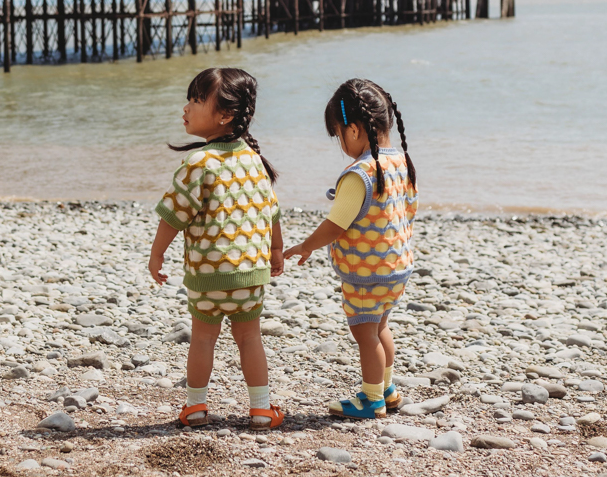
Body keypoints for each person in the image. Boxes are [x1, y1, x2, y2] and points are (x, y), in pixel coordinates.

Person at [150, 66, 285, 430]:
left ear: (225, 115)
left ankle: (195, 407)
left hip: (208, 278)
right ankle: (260, 409)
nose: (187, 107)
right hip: (250, 276)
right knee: (250, 338)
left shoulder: (198, 162)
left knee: (204, 337)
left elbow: (174, 215)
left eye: (196, 100)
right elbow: (270, 212)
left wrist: (157, 253)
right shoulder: (255, 161)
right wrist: (275, 252)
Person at [284, 78, 417, 419]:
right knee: (380, 326)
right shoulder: (400, 162)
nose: (339, 142)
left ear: (354, 130)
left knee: (364, 333)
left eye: (338, 135)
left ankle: (371, 399)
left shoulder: (360, 173)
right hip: (397, 268)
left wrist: (305, 245)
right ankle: (387, 389)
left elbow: (336, 223)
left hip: (366, 273)